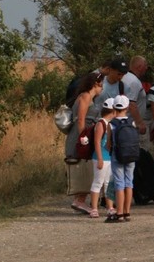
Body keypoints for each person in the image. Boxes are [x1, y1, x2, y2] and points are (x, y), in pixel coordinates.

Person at [65, 72, 105, 214]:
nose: (102, 88)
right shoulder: (86, 96)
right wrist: (84, 137)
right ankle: (80, 200)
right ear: (96, 84)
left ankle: (80, 199)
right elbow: (81, 119)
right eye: (101, 84)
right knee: (84, 167)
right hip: (81, 135)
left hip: (86, 133)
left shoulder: (90, 98)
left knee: (86, 166)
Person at [108, 95, 137, 223]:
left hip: (117, 155)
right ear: (127, 108)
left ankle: (119, 213)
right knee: (129, 182)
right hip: (131, 155)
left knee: (119, 183)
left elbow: (108, 143)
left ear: (114, 107)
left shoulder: (111, 124)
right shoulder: (132, 122)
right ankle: (127, 211)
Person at [89, 98, 116, 219]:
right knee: (98, 182)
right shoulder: (101, 123)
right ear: (113, 111)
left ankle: (110, 207)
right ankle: (94, 208)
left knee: (107, 183)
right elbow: (97, 142)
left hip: (108, 157)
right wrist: (100, 158)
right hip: (101, 157)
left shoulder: (108, 124)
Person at [122, 56, 149, 144]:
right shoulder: (134, 81)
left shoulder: (125, 77)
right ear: (139, 67)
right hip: (129, 125)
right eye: (145, 66)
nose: (146, 68)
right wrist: (140, 123)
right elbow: (131, 104)